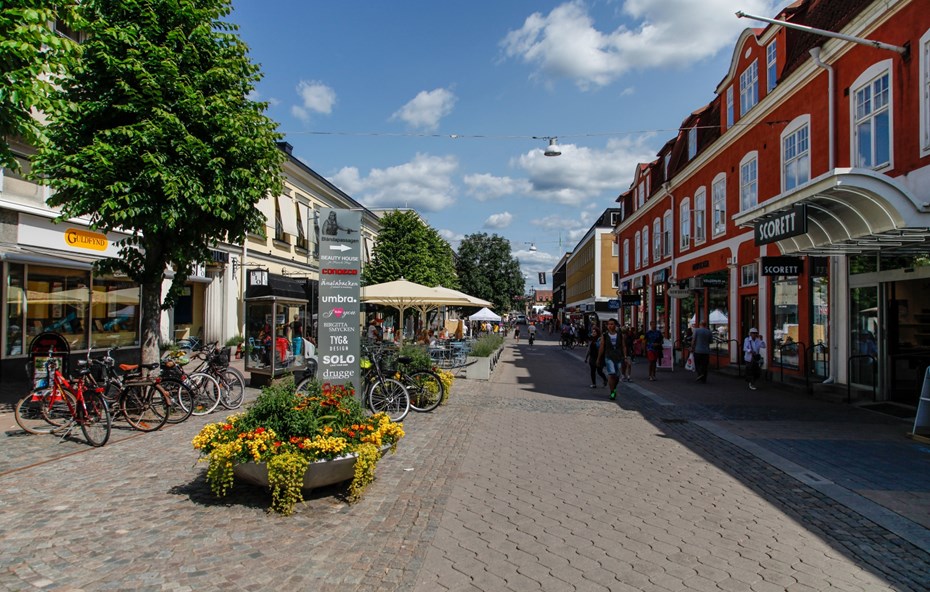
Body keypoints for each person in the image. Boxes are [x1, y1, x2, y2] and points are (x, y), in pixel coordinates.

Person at [597, 318, 625, 400]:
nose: (610, 326)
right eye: (608, 324)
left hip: (618, 356)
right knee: (611, 374)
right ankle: (612, 392)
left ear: (615, 325)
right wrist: (599, 358)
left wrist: (625, 356)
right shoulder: (605, 335)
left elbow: (623, 346)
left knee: (617, 376)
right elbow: (602, 347)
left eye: (612, 324)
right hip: (608, 356)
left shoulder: (620, 335)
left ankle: (614, 388)